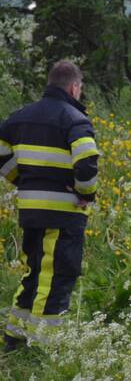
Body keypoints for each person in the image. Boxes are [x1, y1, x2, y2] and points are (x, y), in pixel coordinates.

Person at [0, 60, 99, 351]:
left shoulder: (20, 117)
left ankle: (14, 339)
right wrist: (86, 193)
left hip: (30, 209)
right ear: (74, 87)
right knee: (57, 277)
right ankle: (44, 347)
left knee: (35, 271)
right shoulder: (74, 119)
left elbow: (1, 152)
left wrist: (23, 179)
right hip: (63, 212)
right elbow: (87, 160)